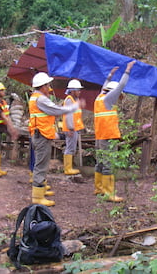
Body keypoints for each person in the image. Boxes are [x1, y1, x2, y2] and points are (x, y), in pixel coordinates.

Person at [29, 72, 85, 206]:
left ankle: (40, 190)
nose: (49, 87)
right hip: (41, 135)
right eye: (47, 85)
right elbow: (56, 110)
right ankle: (37, 197)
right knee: (41, 165)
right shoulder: (41, 99)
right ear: (42, 86)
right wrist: (75, 106)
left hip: (41, 134)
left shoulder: (35, 97)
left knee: (41, 163)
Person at [94, 60, 136, 202]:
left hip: (100, 135)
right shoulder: (109, 98)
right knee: (108, 164)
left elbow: (104, 87)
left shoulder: (99, 97)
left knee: (100, 162)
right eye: (118, 96)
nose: (118, 98)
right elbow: (121, 85)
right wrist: (127, 70)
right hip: (108, 136)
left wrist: (110, 76)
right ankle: (109, 193)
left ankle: (98, 187)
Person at [62, 79, 85, 175]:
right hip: (70, 128)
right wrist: (71, 128)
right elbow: (69, 115)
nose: (79, 92)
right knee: (70, 148)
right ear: (72, 91)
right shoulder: (69, 100)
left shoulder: (75, 100)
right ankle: (67, 169)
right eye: (78, 90)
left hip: (74, 128)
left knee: (72, 148)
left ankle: (69, 168)